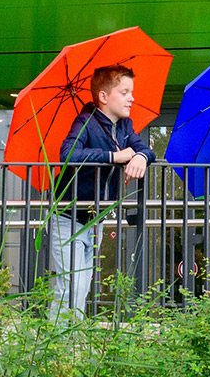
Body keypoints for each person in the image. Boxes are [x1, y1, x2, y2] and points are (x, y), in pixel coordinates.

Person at [51, 64, 156, 317]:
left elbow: (145, 148)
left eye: (131, 91)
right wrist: (113, 156)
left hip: (95, 219)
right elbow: (67, 154)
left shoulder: (124, 126)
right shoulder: (85, 121)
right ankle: (58, 351)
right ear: (103, 97)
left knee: (82, 286)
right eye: (125, 92)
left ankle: (70, 347)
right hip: (69, 217)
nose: (132, 98)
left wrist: (141, 157)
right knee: (70, 287)